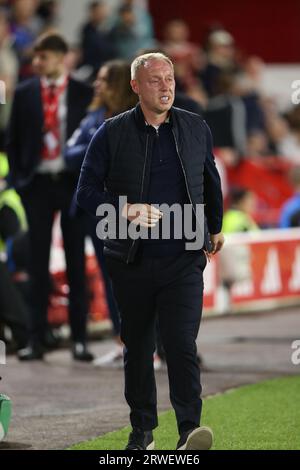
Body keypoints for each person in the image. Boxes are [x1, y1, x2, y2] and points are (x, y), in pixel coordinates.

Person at [77, 52, 224, 450]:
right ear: (136, 87)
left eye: (170, 78)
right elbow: (85, 192)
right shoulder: (110, 132)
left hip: (183, 259)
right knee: (138, 350)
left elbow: (210, 180)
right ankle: (142, 432)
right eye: (155, 80)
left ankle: (189, 430)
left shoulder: (196, 127)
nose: (166, 86)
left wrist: (215, 227)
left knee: (180, 346)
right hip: (131, 260)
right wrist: (124, 209)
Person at [7, 32, 94, 361]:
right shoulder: (25, 92)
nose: (36, 63)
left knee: (75, 262)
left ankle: (80, 339)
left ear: (61, 57)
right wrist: (19, 179)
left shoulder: (84, 92)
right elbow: (12, 139)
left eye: (43, 57)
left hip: (72, 183)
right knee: (38, 264)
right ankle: (35, 338)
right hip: (38, 184)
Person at [65, 60, 138, 367]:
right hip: (99, 212)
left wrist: (97, 149)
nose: (97, 84)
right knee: (111, 279)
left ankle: (148, 346)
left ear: (119, 84)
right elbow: (69, 155)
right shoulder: (94, 116)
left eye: (104, 79)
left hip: (131, 212)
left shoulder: (135, 118)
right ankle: (123, 343)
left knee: (136, 279)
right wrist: (102, 145)